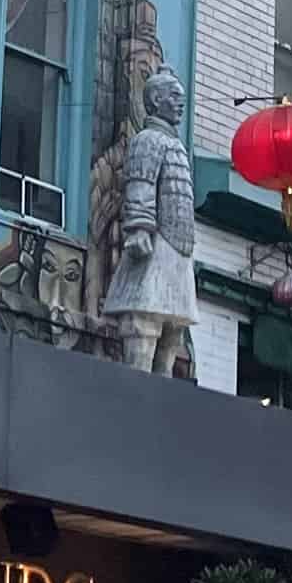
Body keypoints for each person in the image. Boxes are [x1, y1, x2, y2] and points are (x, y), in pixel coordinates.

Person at [101, 63, 200, 377]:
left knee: (174, 327)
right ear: (156, 100)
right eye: (174, 96)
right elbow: (140, 184)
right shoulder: (148, 139)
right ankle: (139, 383)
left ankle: (162, 386)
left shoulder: (173, 142)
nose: (180, 103)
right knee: (145, 320)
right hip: (155, 243)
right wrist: (140, 228)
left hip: (177, 247)